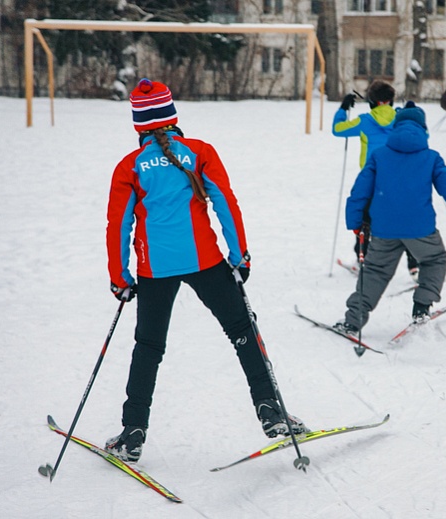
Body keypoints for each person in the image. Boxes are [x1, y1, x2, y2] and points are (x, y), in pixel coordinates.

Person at [104, 78, 307, 463]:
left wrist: (119, 277)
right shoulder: (199, 152)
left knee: (148, 347)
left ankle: (133, 433)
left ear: (138, 125)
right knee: (243, 331)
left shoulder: (129, 166)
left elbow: (118, 225)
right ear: (172, 115)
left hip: (153, 269)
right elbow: (225, 203)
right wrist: (240, 255)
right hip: (206, 261)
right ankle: (271, 411)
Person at [333, 103, 446, 335]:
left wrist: (355, 223)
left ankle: (353, 320)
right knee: (435, 260)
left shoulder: (379, 156)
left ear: (395, 126)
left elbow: (359, 191)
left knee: (375, 271)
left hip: (383, 229)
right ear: (423, 129)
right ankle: (421, 307)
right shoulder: (431, 158)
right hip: (421, 229)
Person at [332, 80, 421, 281]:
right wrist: (412, 114)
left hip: (371, 180)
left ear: (372, 102)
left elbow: (338, 129)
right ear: (390, 101)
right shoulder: (401, 119)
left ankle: (362, 260)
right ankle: (414, 266)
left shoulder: (365, 121)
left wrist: (343, 108)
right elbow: (422, 135)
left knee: (365, 220)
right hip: (400, 179)